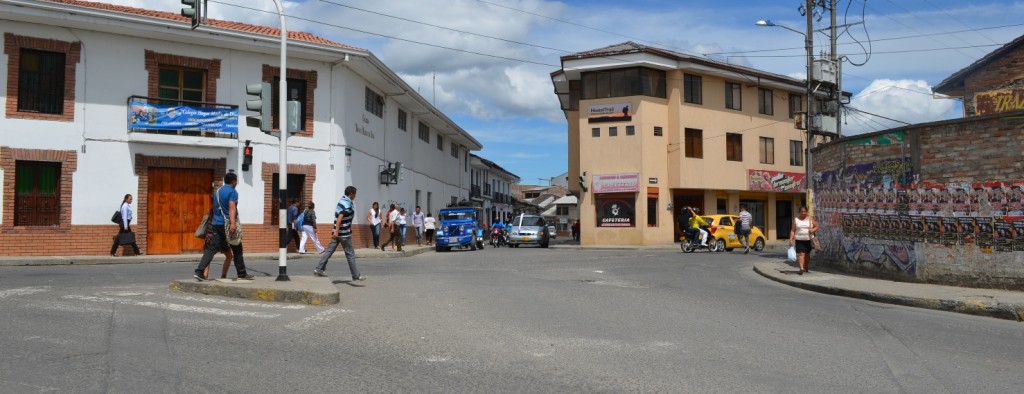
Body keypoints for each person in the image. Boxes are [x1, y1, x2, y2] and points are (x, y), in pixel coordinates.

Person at [194, 172, 252, 281]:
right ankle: (242, 273)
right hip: (227, 224)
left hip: (216, 224)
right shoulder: (232, 192)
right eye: (236, 181)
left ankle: (199, 271)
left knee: (211, 249)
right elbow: (232, 207)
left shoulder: (217, 192)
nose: (237, 183)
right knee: (237, 248)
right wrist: (233, 223)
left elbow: (216, 208)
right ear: (233, 181)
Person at [315, 186, 365, 280]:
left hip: (339, 232)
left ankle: (319, 269)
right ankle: (355, 275)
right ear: (351, 193)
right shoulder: (347, 204)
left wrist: (339, 230)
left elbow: (345, 218)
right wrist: (337, 231)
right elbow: (340, 218)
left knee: (329, 251)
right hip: (343, 234)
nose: (355, 196)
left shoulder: (342, 201)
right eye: (354, 194)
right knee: (350, 254)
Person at [789, 206, 819, 275]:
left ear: (806, 212)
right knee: (801, 254)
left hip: (808, 240)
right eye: (801, 211)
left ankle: (805, 266)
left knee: (807, 255)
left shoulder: (810, 219)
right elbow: (793, 230)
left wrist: (813, 230)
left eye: (804, 211)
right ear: (799, 212)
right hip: (799, 239)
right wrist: (791, 239)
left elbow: (817, 226)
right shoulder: (796, 220)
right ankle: (801, 268)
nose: (803, 213)